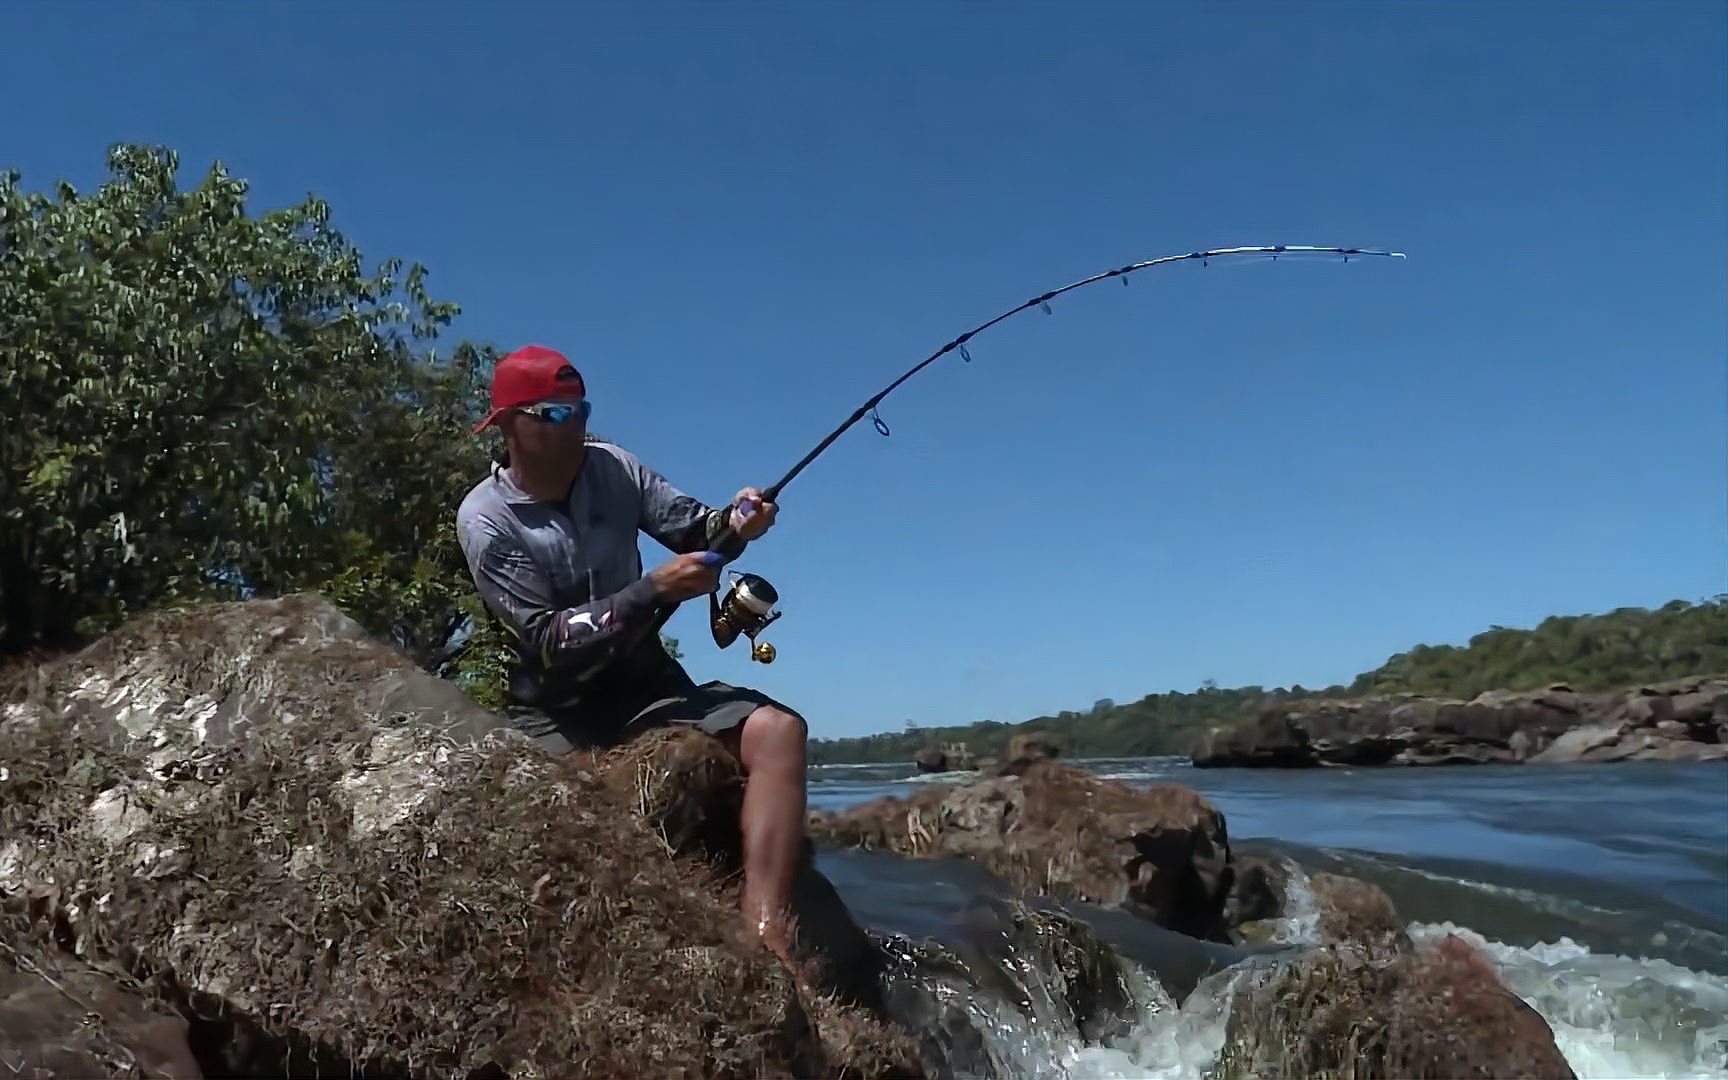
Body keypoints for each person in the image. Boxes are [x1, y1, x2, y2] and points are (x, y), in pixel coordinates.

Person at [454, 343, 808, 964]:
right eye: (556, 414)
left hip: (647, 684)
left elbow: (698, 533)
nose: (578, 425)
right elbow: (546, 642)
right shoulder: (486, 521)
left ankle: (767, 931)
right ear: (511, 424)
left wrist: (739, 520)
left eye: (581, 409)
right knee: (568, 820)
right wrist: (653, 590)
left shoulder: (615, 468)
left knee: (779, 733)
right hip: (557, 709)